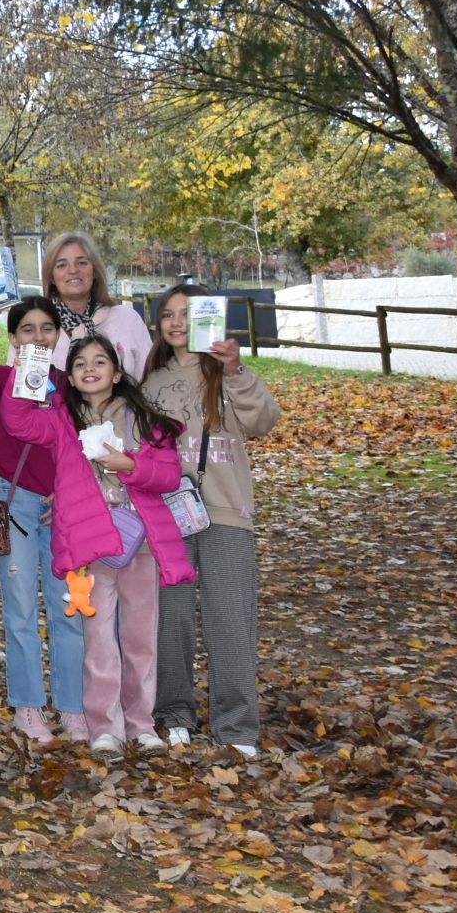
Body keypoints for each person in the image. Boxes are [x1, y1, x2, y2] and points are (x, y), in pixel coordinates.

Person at [1, 335, 192, 762]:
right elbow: (17, 421)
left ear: (117, 373)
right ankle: (105, 726)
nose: (90, 369)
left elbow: (168, 474)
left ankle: (141, 724)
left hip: (139, 542)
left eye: (100, 361)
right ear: (70, 377)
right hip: (89, 546)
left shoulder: (145, 422)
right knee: (99, 639)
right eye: (81, 363)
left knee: (141, 638)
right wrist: (22, 372)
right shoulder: (60, 421)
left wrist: (131, 465)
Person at [144, 286, 280, 758]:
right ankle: (174, 713)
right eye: (168, 315)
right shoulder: (151, 382)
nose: (177, 323)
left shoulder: (227, 372)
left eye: (187, 314)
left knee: (230, 620)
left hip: (226, 510)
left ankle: (237, 726)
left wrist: (234, 370)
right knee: (172, 620)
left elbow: (263, 421)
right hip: (168, 517)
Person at [0, 293, 86, 745]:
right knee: (20, 608)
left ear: (58, 336)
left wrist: (71, 492)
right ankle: (28, 707)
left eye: (46, 329)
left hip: (63, 508)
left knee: (68, 607)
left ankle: (72, 708)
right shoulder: (3, 380)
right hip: (15, 504)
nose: (38, 336)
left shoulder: (68, 384)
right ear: (15, 338)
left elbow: (83, 441)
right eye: (28, 329)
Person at [43, 231, 152, 376]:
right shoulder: (36, 328)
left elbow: (151, 383)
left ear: (94, 271)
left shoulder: (128, 319)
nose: (73, 270)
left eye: (82, 263)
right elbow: (14, 387)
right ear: (51, 277)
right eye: (62, 265)